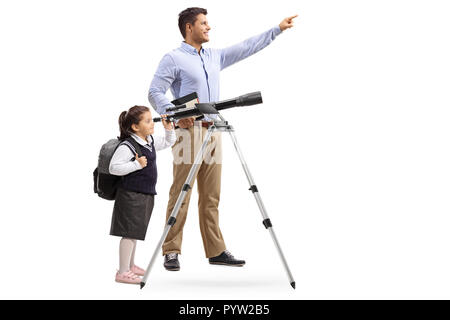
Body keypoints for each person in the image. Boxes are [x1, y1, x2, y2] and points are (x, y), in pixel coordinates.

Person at [148, 7, 298, 271]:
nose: (209, 27)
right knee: (181, 191)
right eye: (204, 23)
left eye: (208, 23)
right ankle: (171, 250)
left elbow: (246, 47)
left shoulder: (214, 56)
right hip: (188, 133)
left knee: (211, 195)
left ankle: (216, 250)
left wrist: (277, 29)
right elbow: (155, 91)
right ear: (189, 28)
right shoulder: (173, 59)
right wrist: (173, 112)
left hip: (214, 131)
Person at [109, 105, 176, 284]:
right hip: (131, 196)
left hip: (144, 194)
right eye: (147, 121)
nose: (152, 123)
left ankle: (130, 266)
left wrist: (169, 130)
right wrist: (136, 165)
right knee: (129, 234)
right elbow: (113, 168)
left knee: (135, 232)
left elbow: (169, 142)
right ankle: (122, 272)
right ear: (135, 127)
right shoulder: (128, 145)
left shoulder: (149, 140)